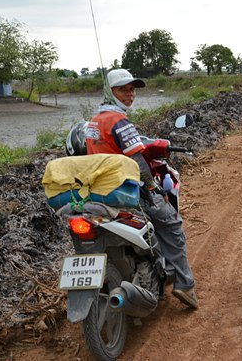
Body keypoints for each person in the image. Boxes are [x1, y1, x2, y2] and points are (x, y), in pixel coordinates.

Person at [68, 68, 199, 309]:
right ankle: (184, 284)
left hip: (99, 192)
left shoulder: (94, 123)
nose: (130, 94)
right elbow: (138, 163)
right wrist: (152, 187)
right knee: (172, 224)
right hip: (127, 192)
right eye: (123, 89)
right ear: (110, 91)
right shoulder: (119, 121)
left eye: (132, 89)